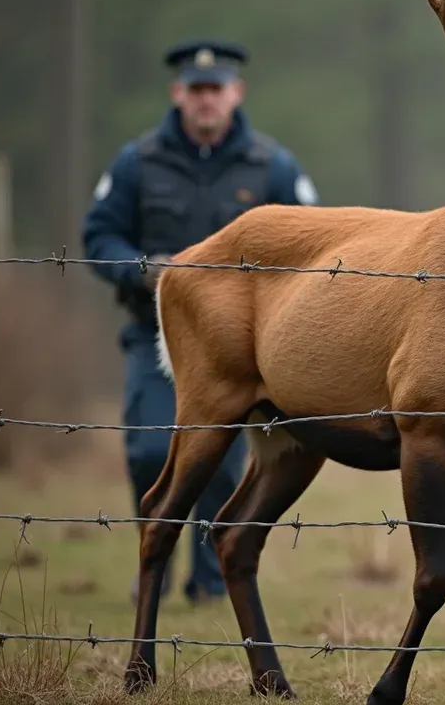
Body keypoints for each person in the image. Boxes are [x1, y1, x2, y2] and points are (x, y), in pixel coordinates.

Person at [81, 39, 319, 605]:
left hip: (239, 349)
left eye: (216, 90)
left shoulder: (273, 166)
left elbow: (316, 240)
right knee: (149, 450)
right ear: (177, 94)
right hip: (154, 333)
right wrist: (142, 271)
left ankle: (212, 578)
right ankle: (153, 561)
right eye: (196, 90)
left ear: (236, 94)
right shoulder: (137, 162)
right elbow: (98, 236)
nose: (206, 100)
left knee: (217, 459)